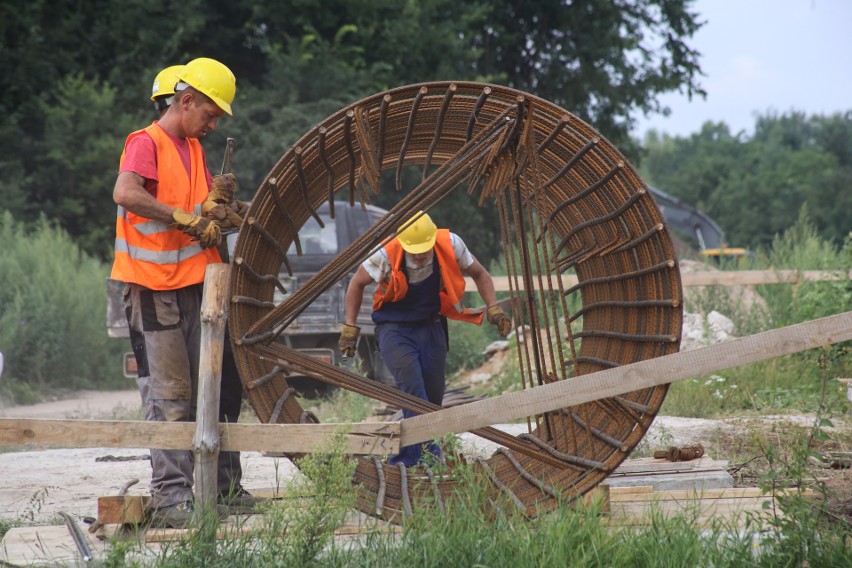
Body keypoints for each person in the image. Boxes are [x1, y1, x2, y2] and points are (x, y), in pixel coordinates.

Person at [112, 57, 251, 527]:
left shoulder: (193, 147)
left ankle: (218, 490)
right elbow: (127, 193)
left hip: (196, 287)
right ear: (185, 100)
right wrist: (184, 217)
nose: (213, 124)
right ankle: (172, 497)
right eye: (210, 114)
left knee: (211, 392)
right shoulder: (144, 142)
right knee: (170, 396)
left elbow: (193, 206)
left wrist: (213, 205)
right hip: (153, 291)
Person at [340, 212, 512, 466]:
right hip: (394, 328)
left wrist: (493, 308)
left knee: (432, 396)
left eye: (424, 250)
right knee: (412, 389)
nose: (420, 256)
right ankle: (425, 457)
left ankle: (412, 455)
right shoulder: (386, 253)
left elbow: (480, 274)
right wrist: (350, 327)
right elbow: (357, 283)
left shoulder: (451, 243)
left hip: (431, 325)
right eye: (414, 251)